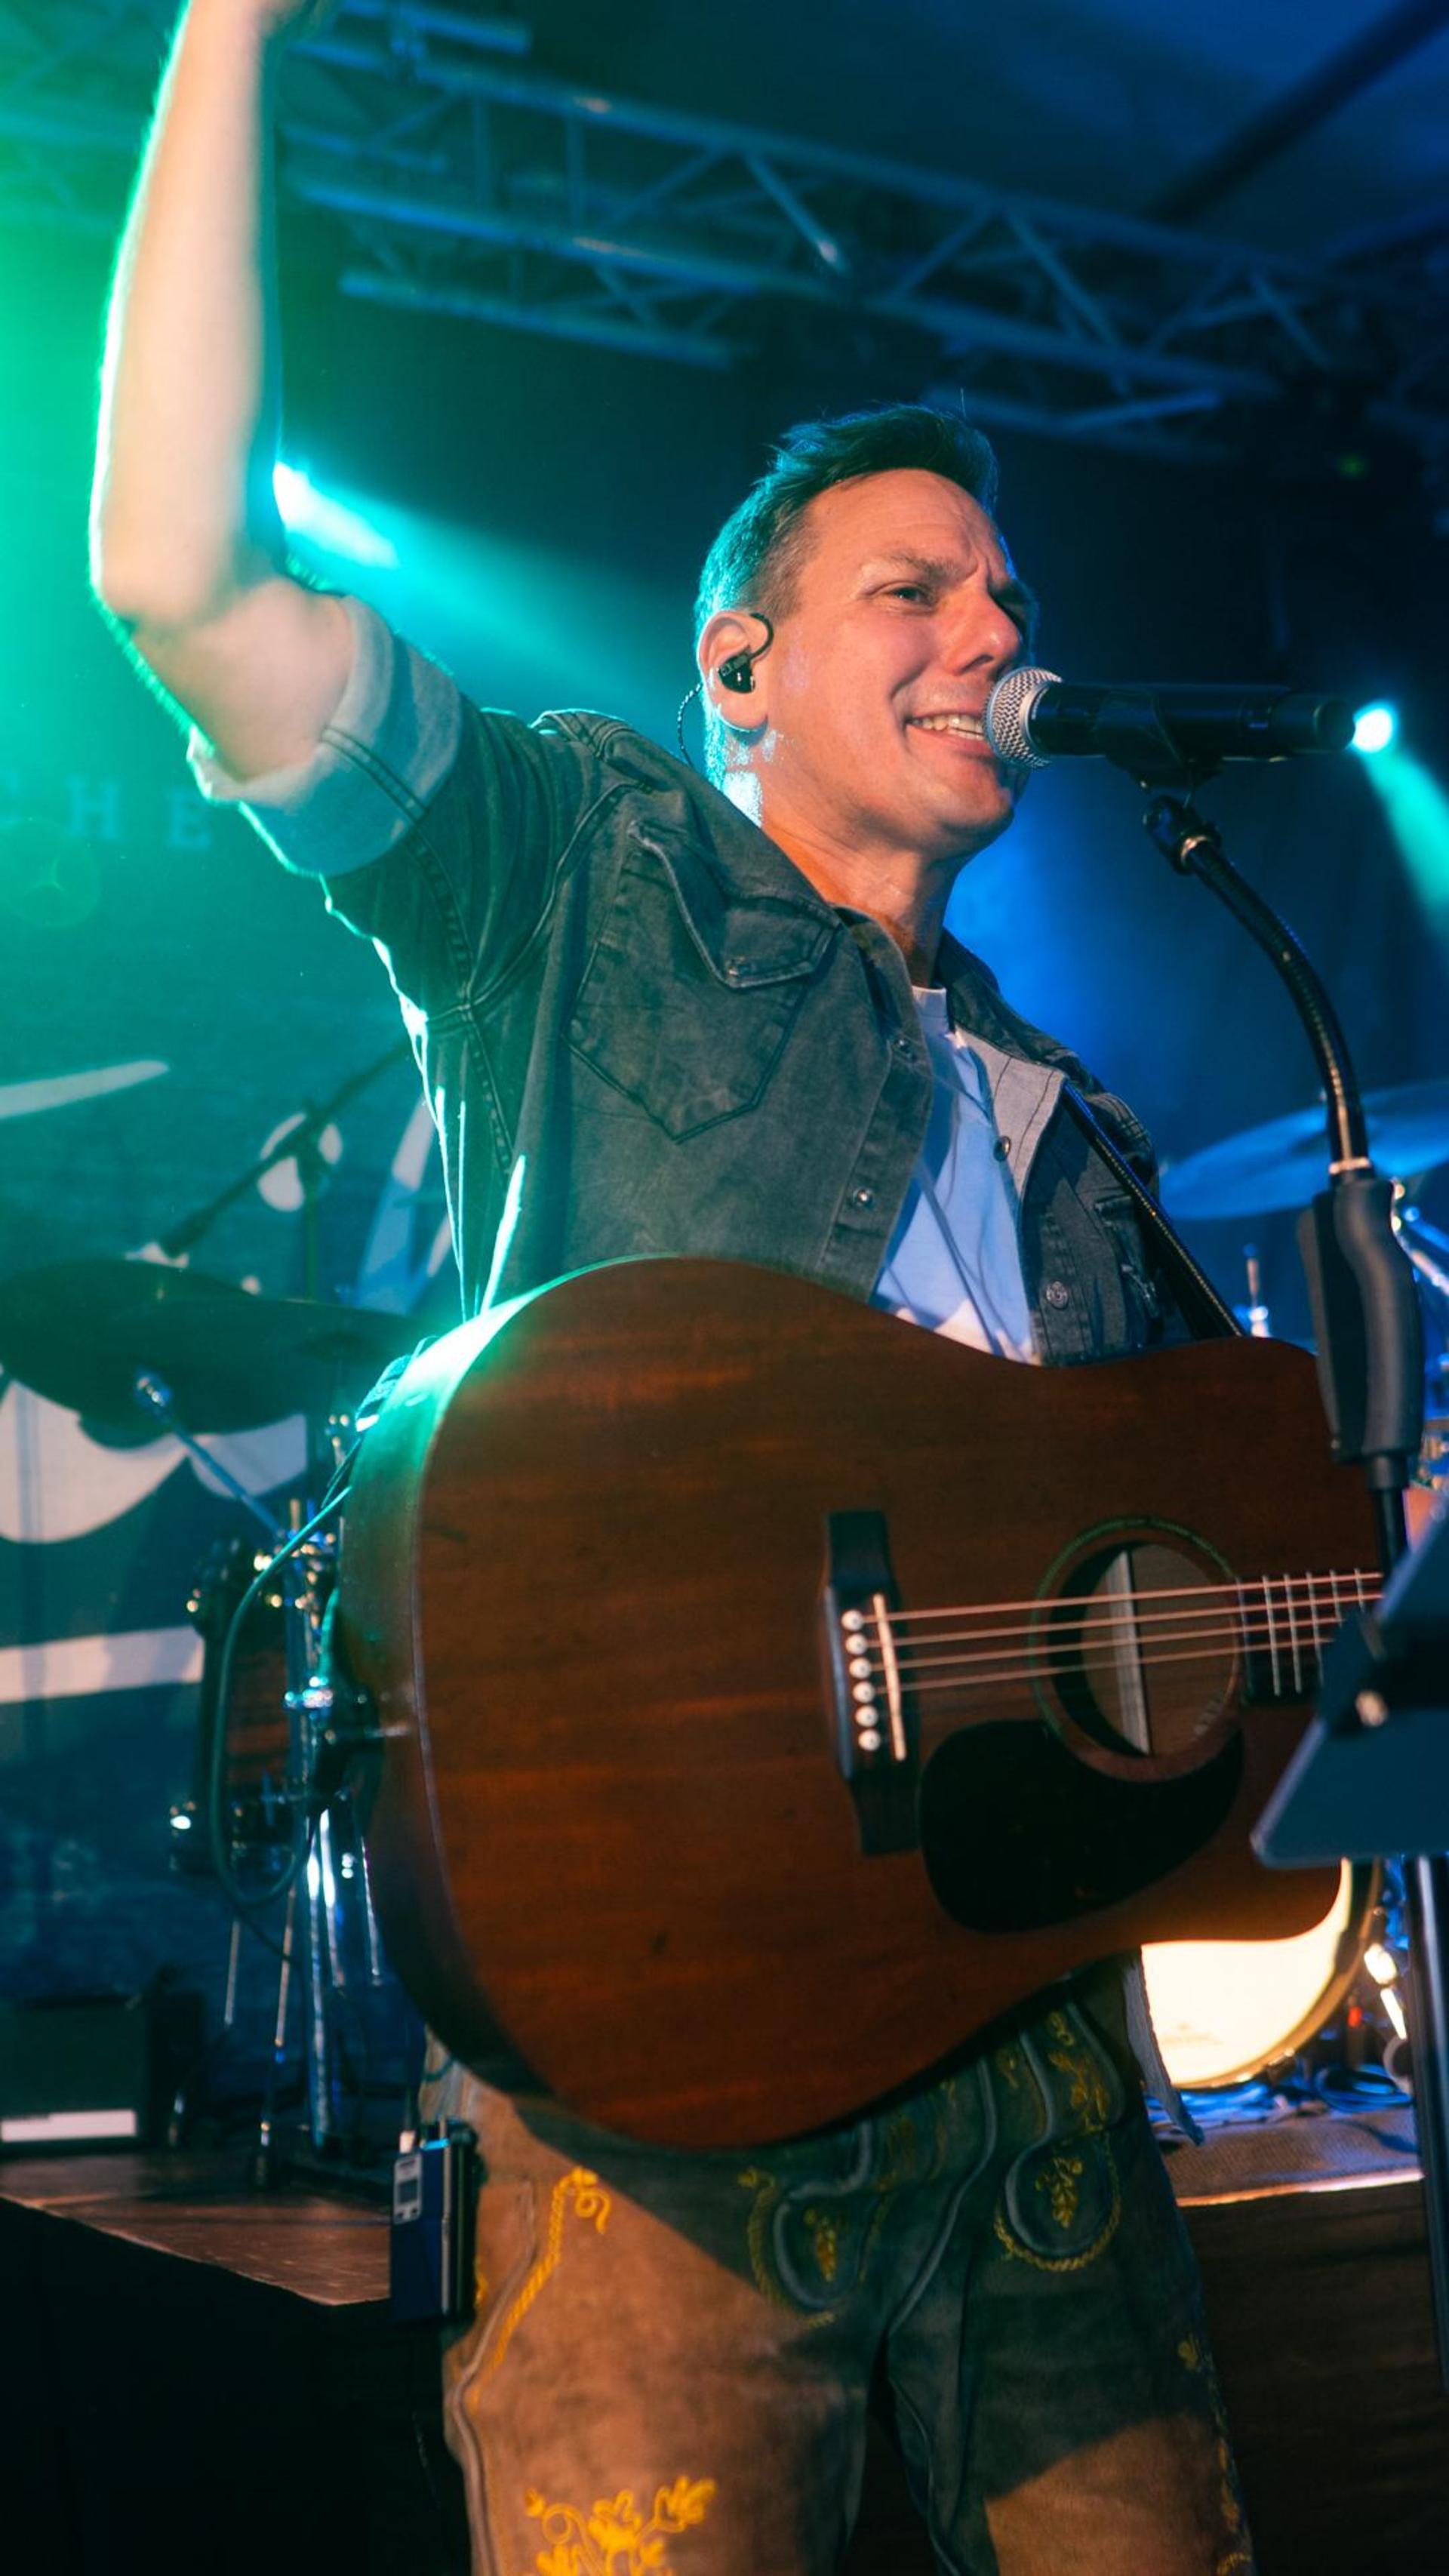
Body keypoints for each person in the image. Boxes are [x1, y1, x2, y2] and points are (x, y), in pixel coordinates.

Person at [91, 8, 1256, 2570]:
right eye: (913, 587)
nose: (990, 630)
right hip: (668, 2047)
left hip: (1038, 2047)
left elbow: (1196, 1601)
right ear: (739, 663)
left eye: (1012, 594)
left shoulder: (1069, 1117)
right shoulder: (585, 868)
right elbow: (176, 580)